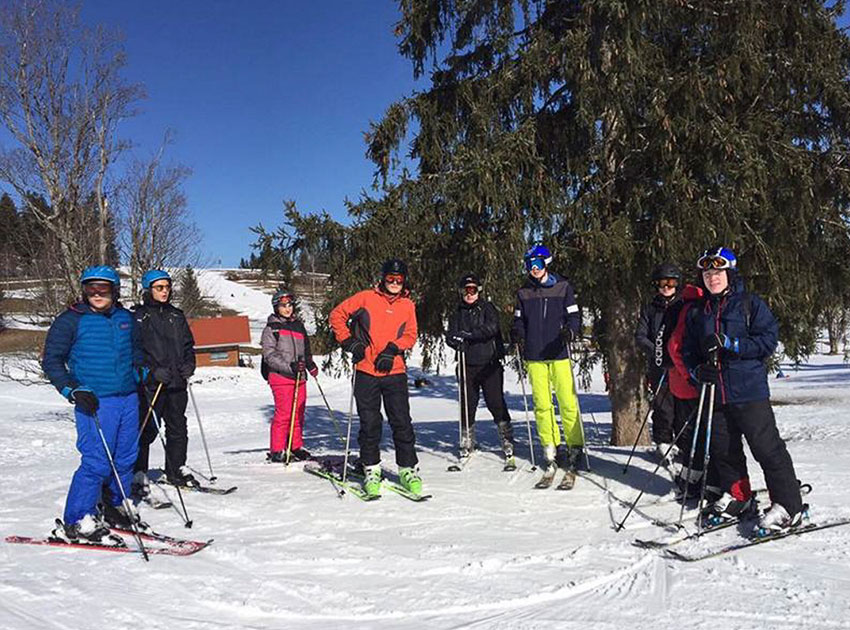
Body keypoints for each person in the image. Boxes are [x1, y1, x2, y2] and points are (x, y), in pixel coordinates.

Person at [683, 246, 804, 534]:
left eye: (718, 272)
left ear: (730, 273)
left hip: (748, 391)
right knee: (724, 451)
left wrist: (732, 344)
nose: (713, 278)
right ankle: (739, 496)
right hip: (715, 392)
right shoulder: (699, 312)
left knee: (766, 449)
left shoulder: (750, 304)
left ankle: (789, 505)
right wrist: (697, 371)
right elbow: (688, 351)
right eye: (708, 273)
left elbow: (767, 341)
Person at [42, 266, 141, 541]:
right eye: (91, 289)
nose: (97, 294)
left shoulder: (125, 318)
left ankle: (115, 505)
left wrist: (142, 371)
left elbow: (137, 353)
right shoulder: (70, 321)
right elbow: (52, 360)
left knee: (125, 457)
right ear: (84, 291)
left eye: (103, 289)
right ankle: (77, 521)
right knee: (97, 460)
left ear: (114, 291)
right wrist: (72, 389)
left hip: (128, 397)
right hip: (96, 402)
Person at [329, 259, 422, 497]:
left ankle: (407, 469)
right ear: (383, 278)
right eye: (390, 278)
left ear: (404, 281)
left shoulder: (408, 305)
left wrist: (393, 349)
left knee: (402, 422)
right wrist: (349, 341)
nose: (394, 283)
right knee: (370, 424)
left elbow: (411, 334)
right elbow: (337, 315)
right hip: (366, 371)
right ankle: (371, 468)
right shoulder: (366, 298)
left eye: (399, 279)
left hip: (395, 371)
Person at [510, 245, 583, 478]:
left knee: (567, 401)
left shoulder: (563, 287)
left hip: (559, 352)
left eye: (538, 264)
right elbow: (518, 320)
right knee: (542, 404)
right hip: (535, 355)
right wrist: (518, 333)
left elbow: (573, 316)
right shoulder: (523, 292)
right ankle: (550, 446)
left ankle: (575, 445)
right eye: (530, 265)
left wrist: (571, 332)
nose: (534, 269)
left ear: (546, 264)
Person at [133, 269, 196, 490]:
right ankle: (138, 471)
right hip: (152, 383)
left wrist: (190, 364)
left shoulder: (176, 315)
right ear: (148, 289)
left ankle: (176, 468)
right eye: (160, 287)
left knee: (178, 427)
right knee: (147, 428)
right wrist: (151, 372)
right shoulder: (139, 317)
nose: (165, 291)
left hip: (176, 381)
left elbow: (188, 345)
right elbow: (134, 352)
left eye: (167, 287)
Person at [445, 273, 514, 462]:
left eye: (473, 290)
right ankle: (467, 439)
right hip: (467, 364)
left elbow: (491, 328)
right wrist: (454, 340)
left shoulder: (488, 308)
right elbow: (450, 334)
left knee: (495, 402)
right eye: (466, 290)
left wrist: (468, 334)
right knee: (468, 403)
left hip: (489, 363)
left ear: (479, 291)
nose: (469, 294)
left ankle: (506, 438)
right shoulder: (457, 312)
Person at [261, 287, 318, 462]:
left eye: (290, 305)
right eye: (283, 305)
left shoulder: (298, 326)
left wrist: (310, 364)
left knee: (298, 413)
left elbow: (305, 350)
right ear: (276, 307)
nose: (287, 308)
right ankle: (277, 449)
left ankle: (295, 446)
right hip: (281, 377)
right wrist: (290, 366)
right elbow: (269, 355)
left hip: (299, 378)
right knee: (284, 413)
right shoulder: (272, 329)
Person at [634, 262, 682, 463]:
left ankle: (682, 443)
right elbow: (640, 336)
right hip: (659, 365)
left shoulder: (683, 306)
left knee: (682, 404)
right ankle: (663, 443)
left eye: (671, 283)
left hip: (680, 365)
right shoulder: (651, 308)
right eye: (663, 283)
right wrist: (657, 352)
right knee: (663, 405)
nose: (666, 287)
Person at [664, 279, 705, 492]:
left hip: (685, 382)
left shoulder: (685, 306)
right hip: (690, 383)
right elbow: (675, 347)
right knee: (694, 432)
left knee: (695, 431)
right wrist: (692, 375)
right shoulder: (693, 308)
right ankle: (693, 478)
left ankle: (698, 476)